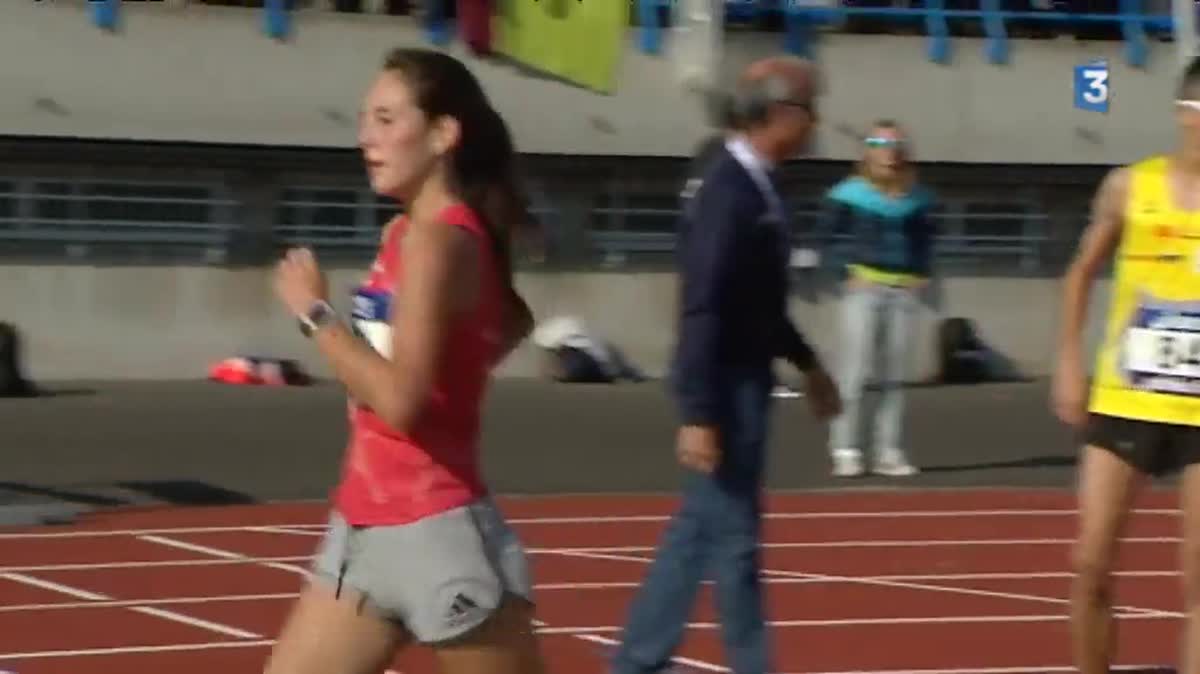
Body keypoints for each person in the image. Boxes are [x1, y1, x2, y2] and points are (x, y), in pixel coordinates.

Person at [265, 47, 544, 674]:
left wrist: (315, 313)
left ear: (443, 134)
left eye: (388, 120)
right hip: (363, 530)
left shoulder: (439, 240)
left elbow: (401, 402)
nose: (367, 137)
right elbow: (510, 320)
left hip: (437, 536)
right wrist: (454, 362)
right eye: (365, 119)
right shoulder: (403, 234)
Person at [608, 56, 841, 674]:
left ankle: (640, 662)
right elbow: (704, 304)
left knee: (702, 534)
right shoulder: (728, 191)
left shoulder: (759, 185)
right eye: (809, 109)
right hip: (727, 388)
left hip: (745, 384)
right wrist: (699, 412)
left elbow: (759, 302)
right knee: (727, 539)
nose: (818, 122)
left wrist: (809, 364)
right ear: (781, 113)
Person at [1053, 56, 1200, 674]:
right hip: (1124, 399)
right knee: (1090, 564)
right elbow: (1081, 272)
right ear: (1185, 115)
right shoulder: (1127, 186)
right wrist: (1067, 360)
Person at [823, 120, 934, 477]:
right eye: (880, 144)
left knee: (894, 377)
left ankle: (888, 450)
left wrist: (921, 274)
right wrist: (845, 271)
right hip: (865, 289)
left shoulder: (915, 198)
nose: (889, 152)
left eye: (895, 144)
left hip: (903, 290)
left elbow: (925, 241)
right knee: (853, 374)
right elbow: (827, 240)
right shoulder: (849, 194)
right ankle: (845, 448)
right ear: (867, 151)